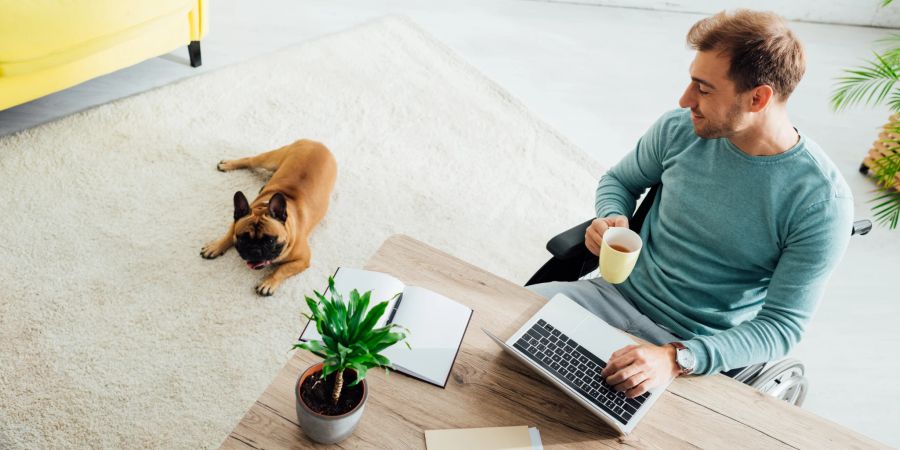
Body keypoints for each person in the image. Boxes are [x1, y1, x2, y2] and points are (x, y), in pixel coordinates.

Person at [528, 10, 853, 398]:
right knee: (491, 334)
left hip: (693, 352)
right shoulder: (680, 129)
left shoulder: (820, 203)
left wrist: (675, 358)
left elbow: (782, 326)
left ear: (758, 98)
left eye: (704, 88)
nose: (685, 100)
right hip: (609, 298)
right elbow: (620, 181)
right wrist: (612, 215)